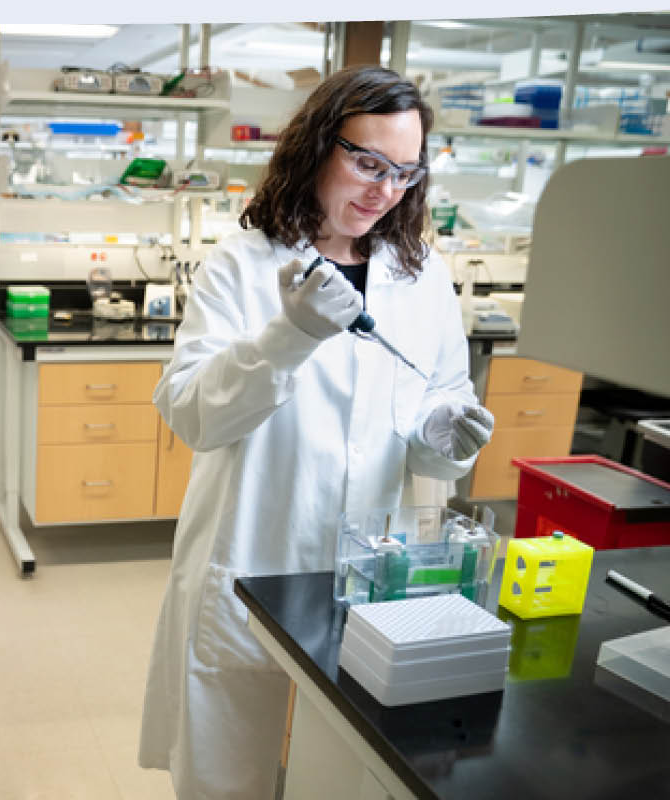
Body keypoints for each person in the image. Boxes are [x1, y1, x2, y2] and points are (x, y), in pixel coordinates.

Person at [138, 65, 496, 798]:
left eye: (404, 173)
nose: (383, 190)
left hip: (373, 566)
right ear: (316, 147)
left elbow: (435, 401)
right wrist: (287, 338)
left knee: (352, 771)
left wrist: (445, 434)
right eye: (366, 162)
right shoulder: (243, 264)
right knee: (228, 773)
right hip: (252, 553)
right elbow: (193, 414)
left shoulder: (421, 276)